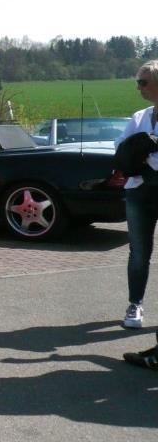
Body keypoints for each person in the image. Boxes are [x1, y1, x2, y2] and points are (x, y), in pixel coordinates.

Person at [119, 60, 158, 370]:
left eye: (143, 82)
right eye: (138, 82)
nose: (139, 88)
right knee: (139, 252)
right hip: (139, 191)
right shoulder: (140, 117)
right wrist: (142, 156)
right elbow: (121, 148)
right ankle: (135, 305)